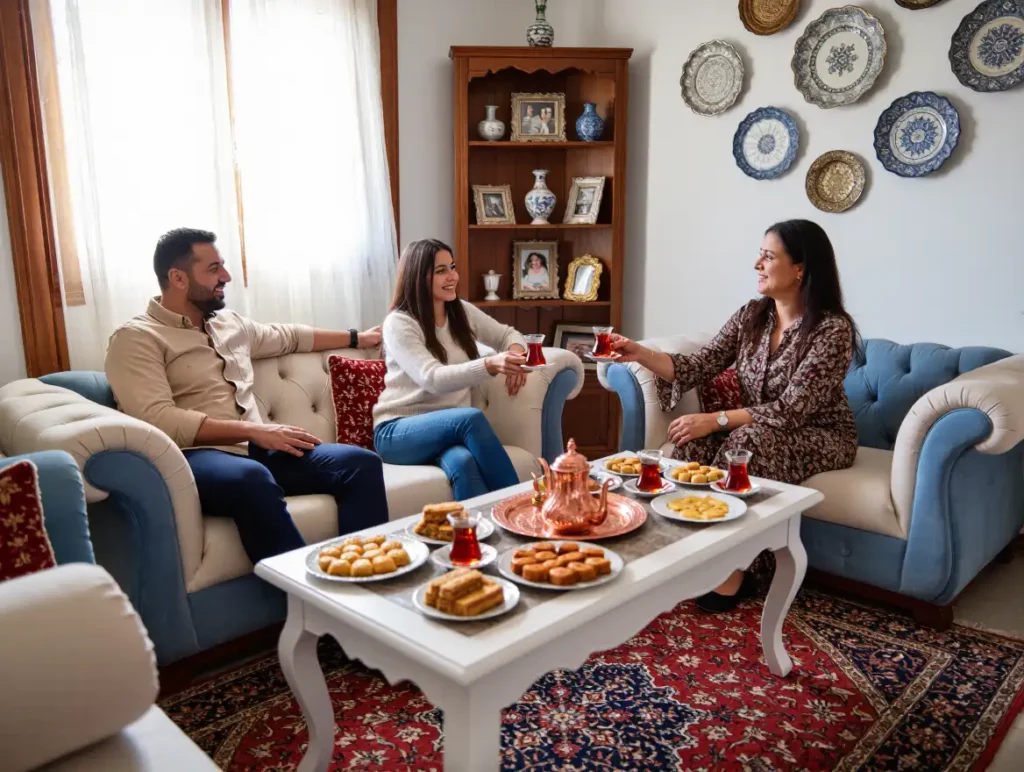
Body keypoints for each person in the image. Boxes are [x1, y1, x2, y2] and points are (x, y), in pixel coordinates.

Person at [610, 220, 860, 612]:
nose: (757, 264)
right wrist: (639, 352)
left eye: (768, 256)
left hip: (821, 434)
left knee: (745, 445)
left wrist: (717, 419)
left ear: (800, 269)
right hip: (761, 426)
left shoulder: (832, 329)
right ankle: (684, 553)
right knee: (689, 445)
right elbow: (699, 365)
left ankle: (734, 572)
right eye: (760, 255)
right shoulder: (751, 316)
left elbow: (792, 409)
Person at [105, 228, 390, 565]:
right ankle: (306, 591)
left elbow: (289, 337)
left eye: (223, 266)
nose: (226, 276)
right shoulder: (135, 338)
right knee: (251, 479)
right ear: (178, 278)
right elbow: (156, 418)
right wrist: (254, 431)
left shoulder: (229, 324)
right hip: (195, 458)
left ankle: (365, 574)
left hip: (257, 449)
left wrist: (357, 338)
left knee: (360, 464)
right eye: (213, 269)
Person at [373, 239, 530, 500]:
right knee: (470, 418)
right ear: (418, 277)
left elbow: (507, 334)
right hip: (398, 433)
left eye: (453, 267)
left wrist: (515, 355)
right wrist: (490, 364)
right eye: (441, 270)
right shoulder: (399, 323)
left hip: (448, 431)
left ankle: (478, 527)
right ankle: (520, 506)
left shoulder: (460, 312)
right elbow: (432, 378)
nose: (453, 276)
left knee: (463, 463)